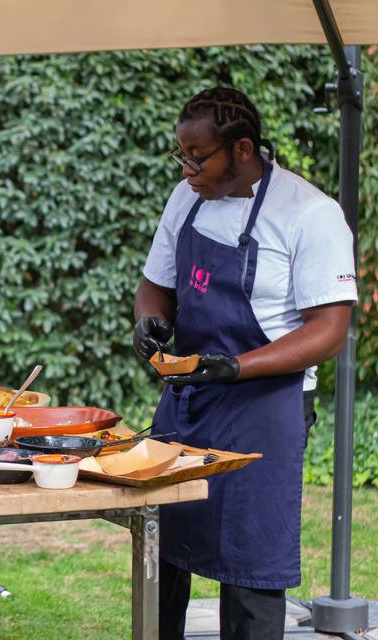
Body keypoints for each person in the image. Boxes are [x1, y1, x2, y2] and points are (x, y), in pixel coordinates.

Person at [133, 87, 356, 639]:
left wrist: (235, 367)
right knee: (164, 556)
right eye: (180, 155)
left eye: (198, 155)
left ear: (242, 149)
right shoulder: (184, 199)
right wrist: (150, 321)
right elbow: (153, 287)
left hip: (265, 409)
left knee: (253, 567)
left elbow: (329, 332)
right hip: (187, 402)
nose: (187, 169)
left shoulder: (311, 214)